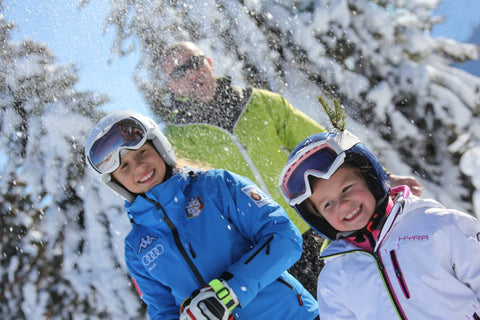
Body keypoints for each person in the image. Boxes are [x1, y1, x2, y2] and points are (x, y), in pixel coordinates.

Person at [158, 41, 423, 234]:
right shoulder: (179, 140)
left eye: (195, 63)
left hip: (313, 225)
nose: (192, 74)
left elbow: (326, 144)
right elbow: (188, 207)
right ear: (171, 86)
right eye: (180, 73)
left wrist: (382, 175)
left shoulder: (259, 103)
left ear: (209, 63)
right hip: (262, 244)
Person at [84, 110, 319, 320]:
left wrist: (231, 290)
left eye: (142, 152)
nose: (138, 167)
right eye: (123, 166)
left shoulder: (217, 186)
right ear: (115, 183)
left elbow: (284, 237)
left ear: (160, 147)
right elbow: (163, 311)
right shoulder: (137, 248)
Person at [278, 130, 480, 319]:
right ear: (319, 219)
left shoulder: (438, 225)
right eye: (328, 204)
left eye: (347, 188)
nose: (343, 204)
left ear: (372, 179)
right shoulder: (335, 278)